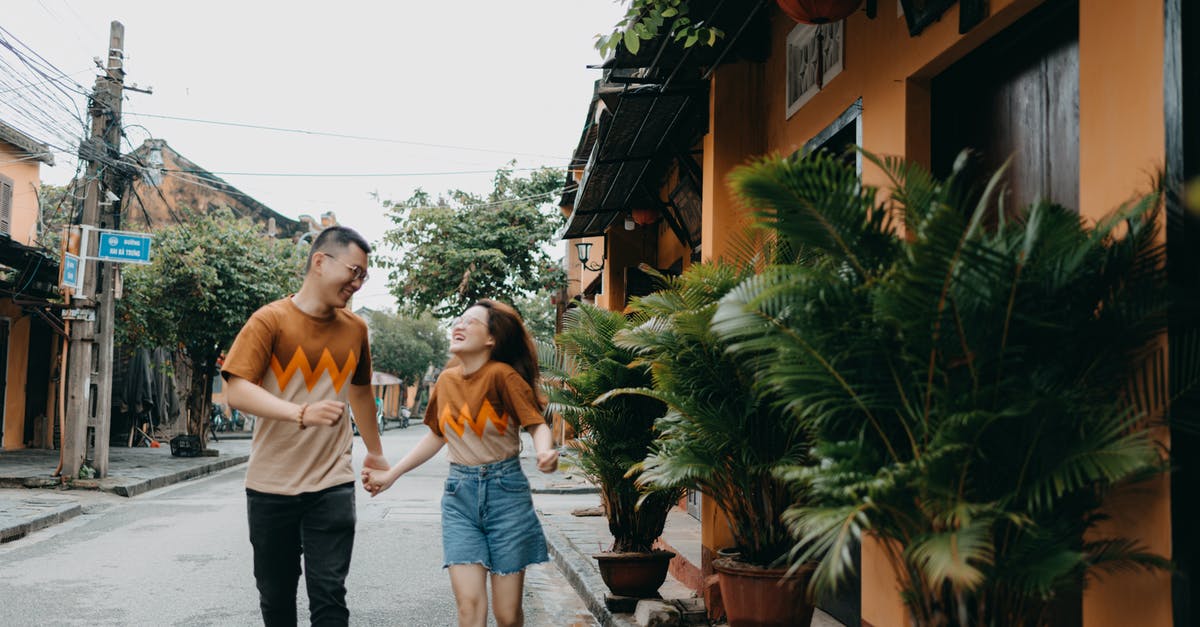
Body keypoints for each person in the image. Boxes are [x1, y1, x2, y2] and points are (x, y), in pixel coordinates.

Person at [221, 226, 388, 627]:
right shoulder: (270, 321)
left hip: (332, 482)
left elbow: (361, 393)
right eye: (354, 271)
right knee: (276, 596)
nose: (357, 284)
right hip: (270, 484)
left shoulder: (355, 329)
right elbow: (238, 391)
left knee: (330, 596)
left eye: (363, 276)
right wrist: (299, 413)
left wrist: (377, 453)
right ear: (319, 262)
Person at [362, 299, 559, 627]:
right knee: (469, 606)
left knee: (508, 616)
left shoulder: (503, 376)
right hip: (459, 497)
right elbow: (437, 437)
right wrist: (392, 474)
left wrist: (544, 451)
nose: (459, 325)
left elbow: (536, 423)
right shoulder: (446, 381)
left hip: (506, 495)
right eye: (459, 320)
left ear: (491, 339)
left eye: (471, 322)